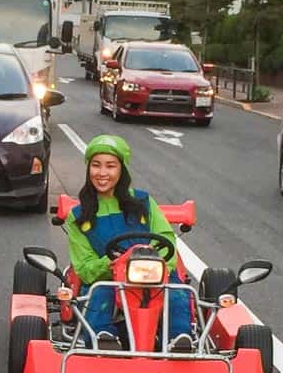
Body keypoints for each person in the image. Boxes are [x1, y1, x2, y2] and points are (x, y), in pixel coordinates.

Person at [63, 133, 195, 352]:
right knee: (98, 294)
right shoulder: (79, 216)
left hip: (154, 274)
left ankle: (178, 338)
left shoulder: (143, 202)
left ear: (121, 170)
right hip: (109, 277)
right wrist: (113, 264)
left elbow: (167, 238)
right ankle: (103, 338)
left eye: (110, 166)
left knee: (178, 294)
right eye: (96, 165)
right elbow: (84, 267)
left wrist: (159, 265)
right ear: (88, 169)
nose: (102, 173)